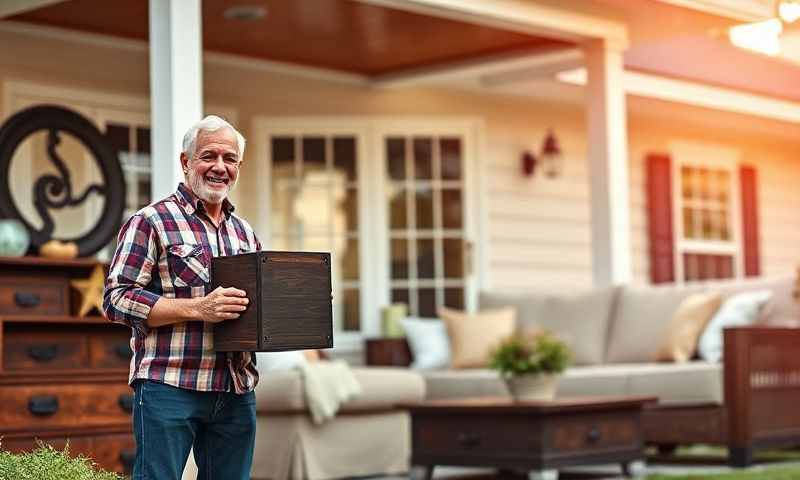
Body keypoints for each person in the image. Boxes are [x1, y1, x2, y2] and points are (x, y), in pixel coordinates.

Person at [103, 115, 260, 480]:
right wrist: (199, 309)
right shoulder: (151, 221)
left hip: (235, 388)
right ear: (186, 161)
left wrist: (301, 305)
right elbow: (117, 298)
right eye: (209, 156)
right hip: (169, 385)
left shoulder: (245, 233)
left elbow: (257, 305)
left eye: (230, 158)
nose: (220, 167)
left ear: (238, 166)